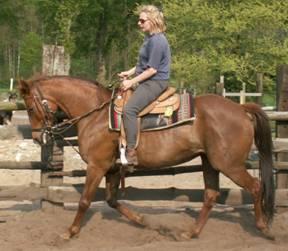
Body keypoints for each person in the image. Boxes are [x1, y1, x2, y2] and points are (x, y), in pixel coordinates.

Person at [118, 5, 171, 165]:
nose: (139, 23)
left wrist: (131, 82)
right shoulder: (149, 38)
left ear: (153, 21)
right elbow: (144, 65)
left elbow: (153, 70)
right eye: (138, 20)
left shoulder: (158, 41)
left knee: (129, 110)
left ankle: (131, 151)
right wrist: (130, 72)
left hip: (155, 82)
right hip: (146, 79)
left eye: (142, 20)